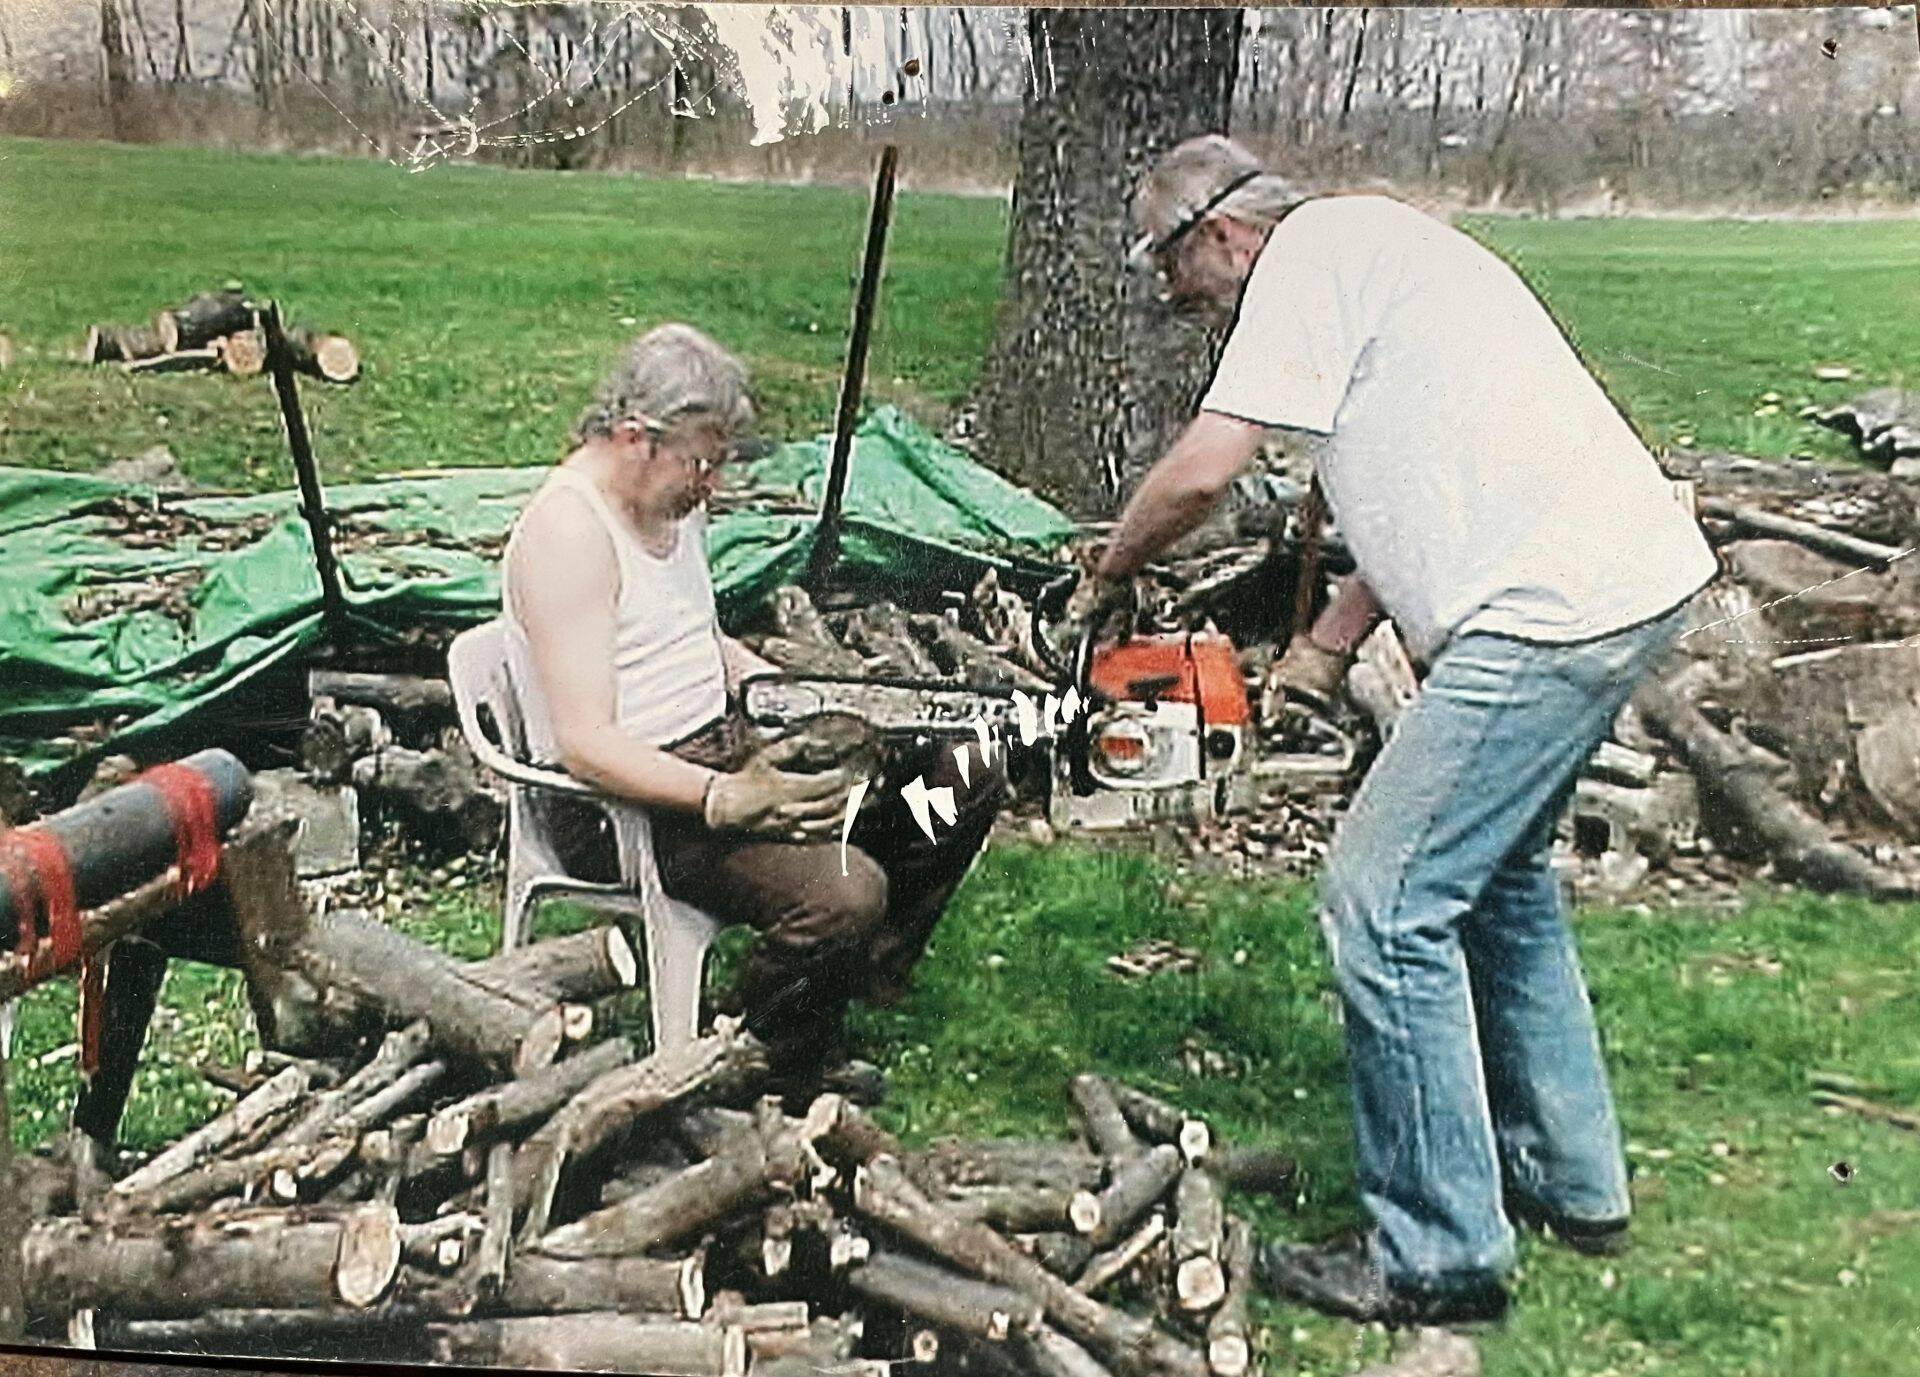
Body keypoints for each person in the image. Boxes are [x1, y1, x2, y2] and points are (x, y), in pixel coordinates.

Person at [1069, 136, 1718, 1324]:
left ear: (1221, 233)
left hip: (1546, 615)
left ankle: (1438, 1255)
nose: (1185, 303)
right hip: (1621, 580)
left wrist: (1111, 565)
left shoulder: (1304, 258)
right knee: (1502, 879)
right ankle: (1573, 1184)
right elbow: (1414, 466)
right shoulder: (1371, 248)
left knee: (1382, 898)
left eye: (1179, 274)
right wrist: (1326, 635)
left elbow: (1206, 473)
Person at [503, 323, 1003, 1092]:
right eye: (701, 462)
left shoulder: (668, 504)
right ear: (636, 437)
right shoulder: (570, 533)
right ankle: (749, 1055)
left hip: (725, 744)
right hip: (626, 805)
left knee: (966, 766)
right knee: (847, 890)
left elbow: (690, 636)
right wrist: (723, 797)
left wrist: (797, 696)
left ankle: (842, 979)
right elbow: (585, 743)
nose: (713, 485)